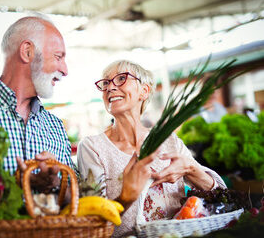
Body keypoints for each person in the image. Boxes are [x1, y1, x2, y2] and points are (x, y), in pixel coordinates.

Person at [77, 60, 226, 237]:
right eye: (106, 83)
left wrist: (192, 169)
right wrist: (126, 196)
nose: (110, 87)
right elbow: (94, 224)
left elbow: (222, 196)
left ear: (144, 91)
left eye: (121, 79)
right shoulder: (92, 147)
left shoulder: (168, 139)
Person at [0, 15, 78, 238]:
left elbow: (76, 200)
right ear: (27, 52)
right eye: (58, 57)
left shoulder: (55, 126)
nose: (65, 70)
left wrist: (56, 184)